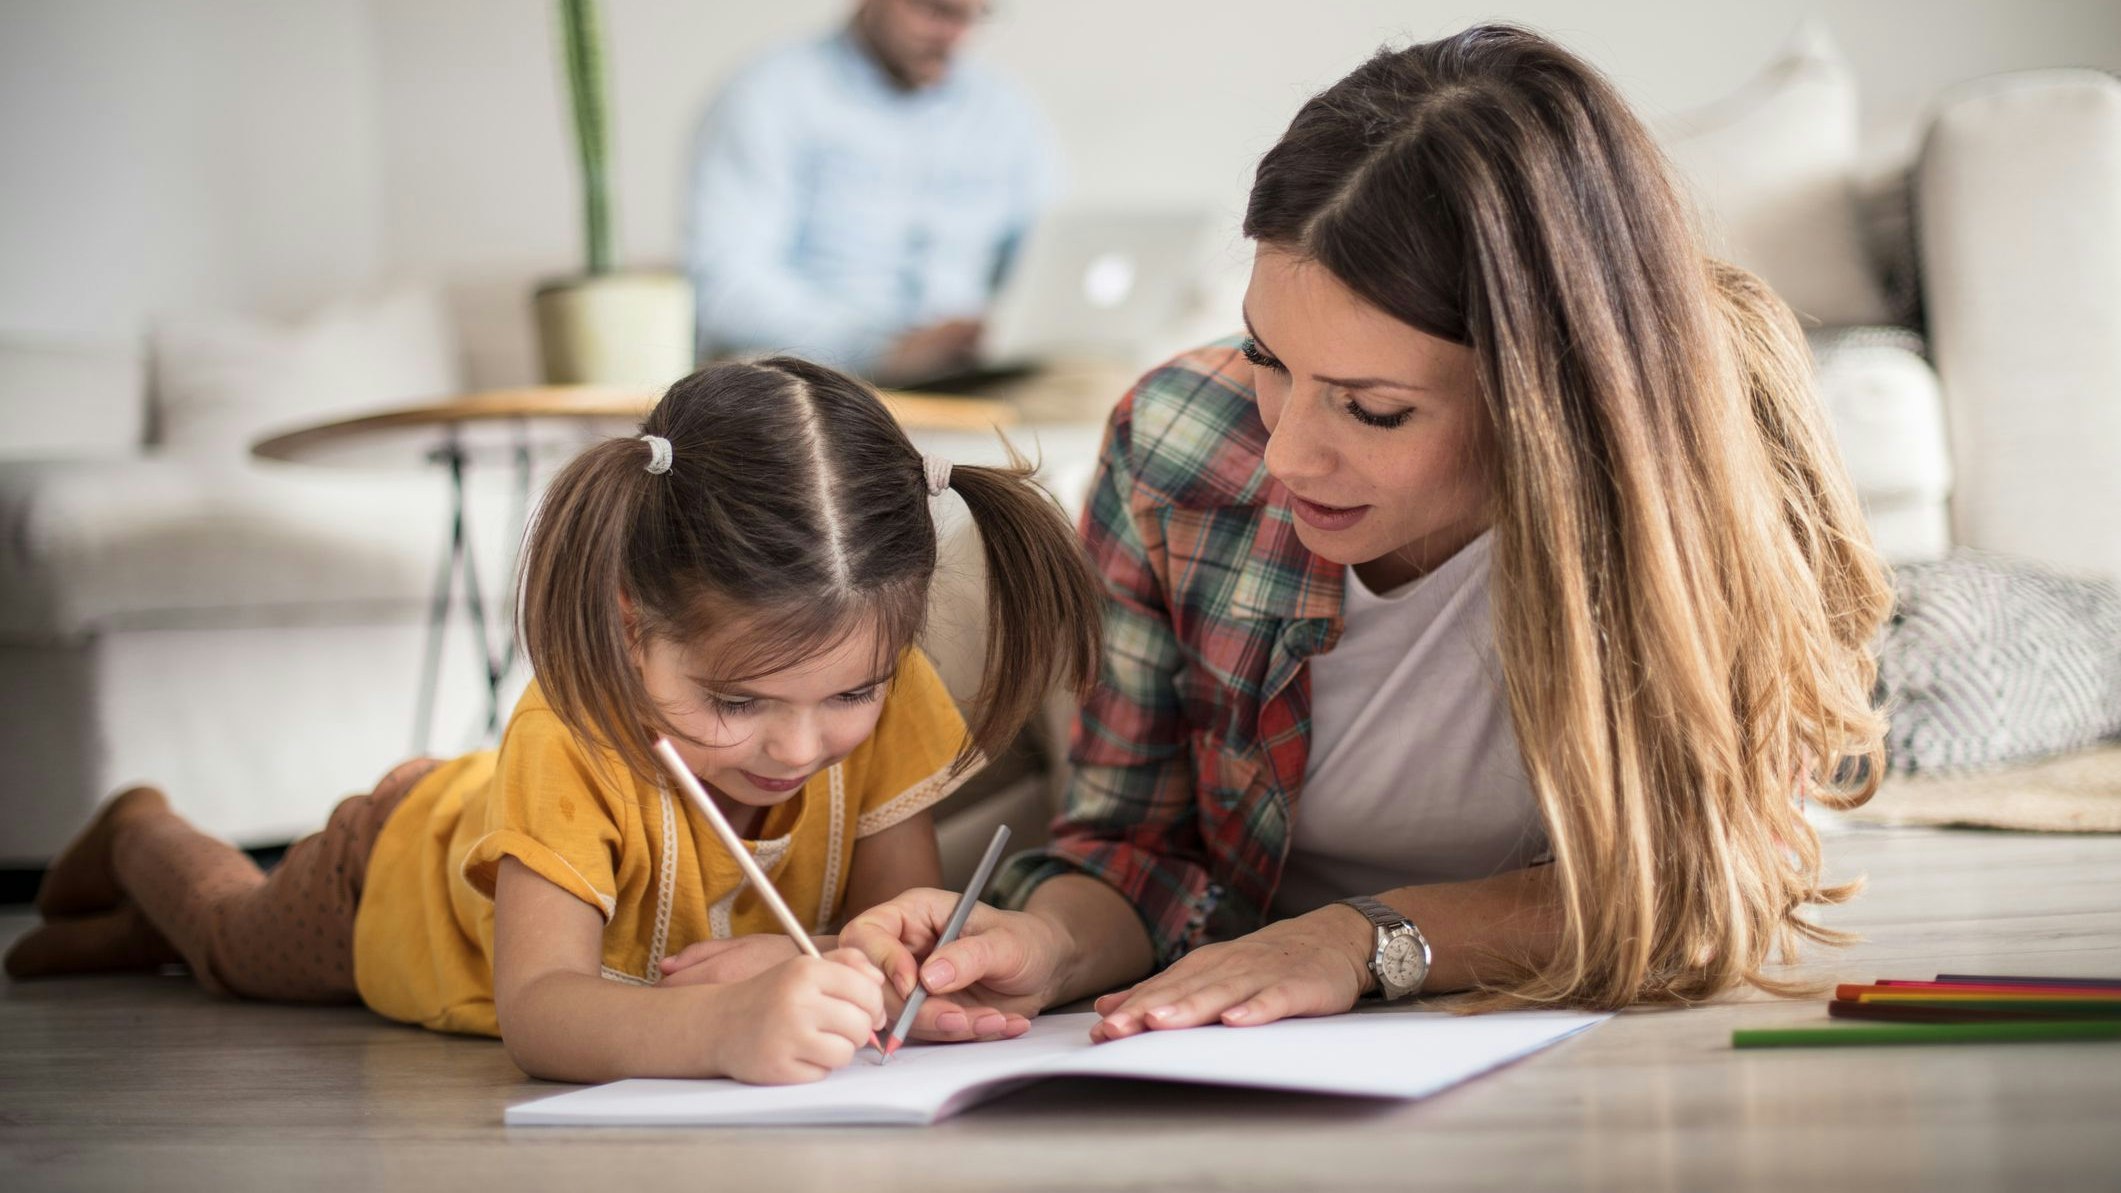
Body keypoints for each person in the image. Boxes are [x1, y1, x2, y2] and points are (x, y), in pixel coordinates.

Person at [844, 24, 1892, 1041]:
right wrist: (1041, 943)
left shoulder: (1706, 471)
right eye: (1267, 358)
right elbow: (1138, 849)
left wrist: (1364, 940)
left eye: (1373, 408)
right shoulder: (1175, 443)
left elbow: (1708, 886)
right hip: (1265, 1032)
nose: (1288, 454)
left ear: (1543, 394)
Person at [5, 357, 1101, 1085]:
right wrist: (727, 1025)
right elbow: (540, 1009)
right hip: (385, 881)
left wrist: (881, 960)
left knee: (146, 960)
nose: (800, 746)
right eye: (736, 700)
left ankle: (112, 938)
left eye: (848, 695)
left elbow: (873, 919)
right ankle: (143, 827)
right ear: (633, 628)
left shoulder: (886, 696)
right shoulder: (571, 732)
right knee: (228, 943)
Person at [687, 0, 1057, 386]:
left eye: (975, 15)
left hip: (970, 379)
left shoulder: (1005, 111)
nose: (955, 37)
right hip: (816, 387)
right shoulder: (768, 95)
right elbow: (725, 287)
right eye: (935, 10)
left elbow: (1043, 259)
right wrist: (878, 351)